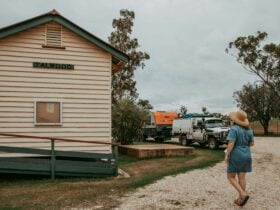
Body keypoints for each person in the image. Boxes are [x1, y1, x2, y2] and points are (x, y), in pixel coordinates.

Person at [225, 110, 254, 206]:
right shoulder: (249, 130)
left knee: (230, 176)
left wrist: (227, 154)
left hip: (236, 155)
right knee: (242, 178)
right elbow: (251, 143)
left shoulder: (234, 129)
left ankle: (243, 194)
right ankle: (241, 199)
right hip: (247, 155)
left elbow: (231, 143)